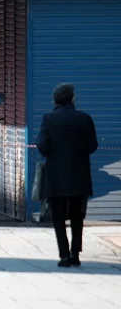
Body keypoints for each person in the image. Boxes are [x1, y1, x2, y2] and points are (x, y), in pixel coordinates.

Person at [36, 83, 98, 267]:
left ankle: (63, 255)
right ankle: (75, 253)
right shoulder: (84, 119)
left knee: (58, 216)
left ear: (55, 100)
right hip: (80, 176)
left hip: (56, 177)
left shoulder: (49, 119)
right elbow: (92, 146)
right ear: (73, 98)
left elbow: (43, 146)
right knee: (77, 216)